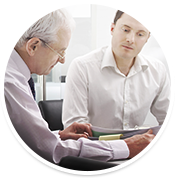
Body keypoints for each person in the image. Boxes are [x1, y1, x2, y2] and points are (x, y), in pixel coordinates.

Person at [4, 3, 159, 173]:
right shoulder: (9, 82)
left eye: (140, 34)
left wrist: (58, 135)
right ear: (33, 46)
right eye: (60, 52)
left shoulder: (13, 74)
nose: (62, 60)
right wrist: (126, 146)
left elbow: (27, 141)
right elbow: (52, 151)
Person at [62, 3, 170, 130]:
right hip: (94, 147)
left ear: (147, 38)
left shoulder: (157, 71)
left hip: (139, 147)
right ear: (112, 29)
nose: (131, 39)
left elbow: (166, 118)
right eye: (126, 30)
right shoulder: (82, 67)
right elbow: (74, 130)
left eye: (140, 34)